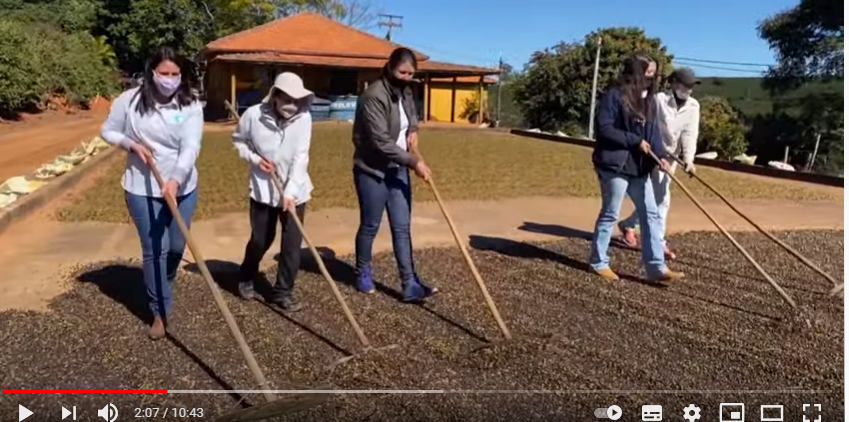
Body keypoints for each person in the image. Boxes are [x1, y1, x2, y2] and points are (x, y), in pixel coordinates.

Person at [101, 47, 204, 340]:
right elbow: (107, 131)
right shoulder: (129, 101)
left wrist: (174, 180)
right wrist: (130, 144)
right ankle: (159, 310)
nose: (169, 79)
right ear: (152, 72)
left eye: (175, 74)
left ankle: (163, 280)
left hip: (182, 186)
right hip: (141, 187)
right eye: (164, 73)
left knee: (174, 247)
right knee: (154, 250)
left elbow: (191, 147)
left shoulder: (190, 104)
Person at [351, 47, 437, 302]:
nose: (406, 77)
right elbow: (380, 141)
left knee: (402, 227)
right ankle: (362, 273)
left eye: (411, 73)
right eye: (402, 72)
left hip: (397, 169)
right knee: (370, 225)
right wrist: (414, 162)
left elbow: (411, 112)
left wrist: (413, 128)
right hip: (372, 170)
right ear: (389, 67)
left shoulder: (406, 91)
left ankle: (409, 283)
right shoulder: (372, 96)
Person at [589, 53, 685, 282]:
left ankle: (656, 267)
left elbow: (652, 132)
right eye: (648, 73)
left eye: (653, 74)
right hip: (615, 165)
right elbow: (604, 129)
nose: (652, 78)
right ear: (636, 73)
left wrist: (660, 157)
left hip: (639, 168)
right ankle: (598, 262)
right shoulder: (614, 96)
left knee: (651, 214)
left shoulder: (648, 100)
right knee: (610, 213)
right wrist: (634, 140)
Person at [232, 72, 314, 312]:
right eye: (287, 99)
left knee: (291, 243)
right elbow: (239, 141)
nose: (292, 105)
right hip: (263, 189)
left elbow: (301, 157)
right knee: (261, 239)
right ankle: (246, 274)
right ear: (275, 96)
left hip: (295, 189)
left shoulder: (305, 118)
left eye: (297, 100)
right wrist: (256, 160)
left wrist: (290, 192)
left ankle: (282, 292)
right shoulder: (253, 115)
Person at [617, 68, 701, 259]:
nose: (689, 90)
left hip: (671, 158)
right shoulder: (658, 100)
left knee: (655, 198)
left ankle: (629, 225)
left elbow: (690, 134)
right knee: (661, 200)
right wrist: (655, 151)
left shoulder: (694, 106)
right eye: (686, 85)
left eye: (691, 86)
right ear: (675, 84)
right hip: (649, 153)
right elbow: (647, 124)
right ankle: (658, 244)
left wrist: (688, 160)